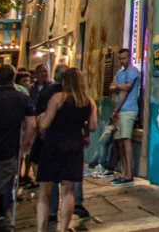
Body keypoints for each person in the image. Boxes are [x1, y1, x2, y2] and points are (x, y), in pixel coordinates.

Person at [36, 68, 97, 232]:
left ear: (65, 82)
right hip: (74, 146)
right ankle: (63, 228)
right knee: (68, 191)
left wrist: (40, 118)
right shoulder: (88, 102)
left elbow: (45, 124)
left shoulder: (57, 98)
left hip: (53, 145)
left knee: (44, 192)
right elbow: (92, 126)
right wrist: (80, 123)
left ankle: (41, 228)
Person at [0, 65, 35, 232]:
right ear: (13, 79)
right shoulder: (22, 98)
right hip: (6, 150)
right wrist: (26, 143)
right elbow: (31, 124)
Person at [109, 47, 141, 186]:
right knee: (119, 142)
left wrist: (115, 110)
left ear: (129, 58)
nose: (122, 61)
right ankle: (123, 171)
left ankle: (129, 173)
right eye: (120, 58)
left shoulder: (133, 71)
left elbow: (125, 91)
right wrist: (118, 87)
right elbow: (111, 87)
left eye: (124, 58)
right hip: (119, 111)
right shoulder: (119, 73)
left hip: (128, 110)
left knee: (125, 139)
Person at [21, 64, 51, 187]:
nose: (44, 74)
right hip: (33, 122)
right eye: (42, 72)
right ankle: (34, 175)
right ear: (37, 74)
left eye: (46, 71)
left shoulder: (52, 88)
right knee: (32, 151)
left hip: (47, 122)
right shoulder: (31, 89)